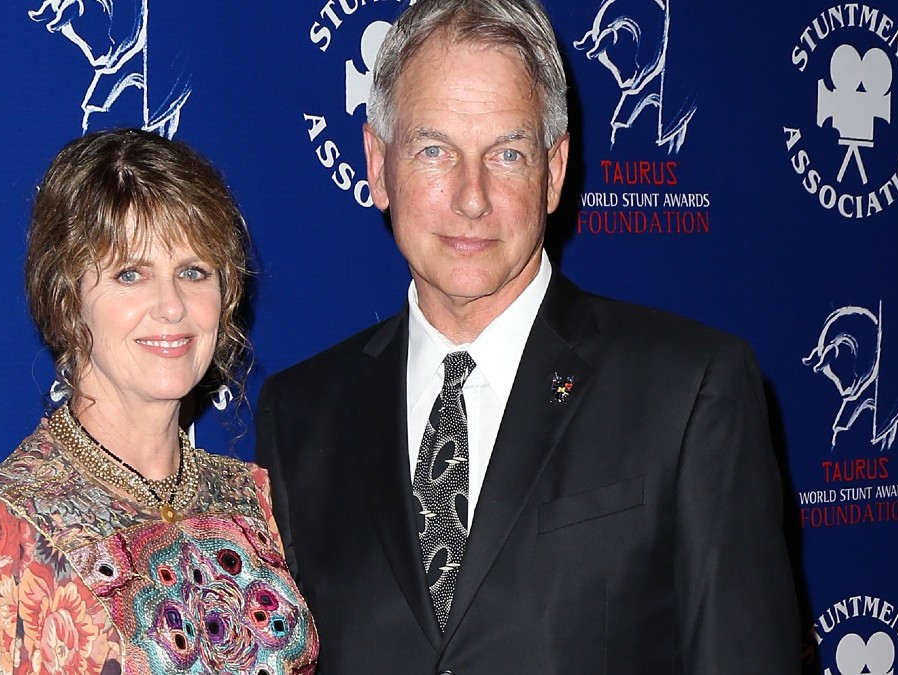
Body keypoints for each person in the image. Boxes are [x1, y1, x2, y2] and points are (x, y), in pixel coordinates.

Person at [255, 0, 799, 673]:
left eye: (507, 152)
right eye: (434, 149)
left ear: (555, 170)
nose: (472, 196)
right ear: (377, 162)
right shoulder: (300, 415)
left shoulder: (690, 391)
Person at [0, 130, 318, 675]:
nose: (172, 307)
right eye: (130, 274)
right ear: (67, 297)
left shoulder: (249, 498)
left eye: (193, 272)